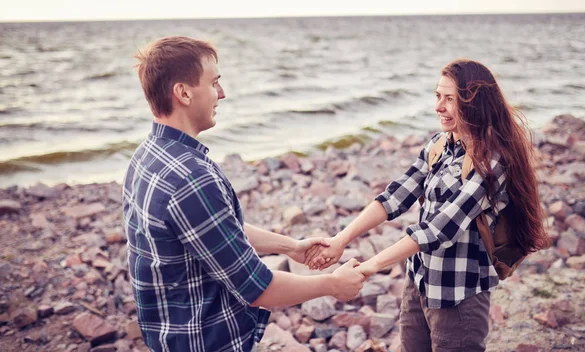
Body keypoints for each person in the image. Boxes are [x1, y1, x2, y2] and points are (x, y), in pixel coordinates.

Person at [122, 36, 366, 352]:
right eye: (214, 83)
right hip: (204, 342)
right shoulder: (192, 178)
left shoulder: (147, 156)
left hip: (170, 336)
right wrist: (332, 285)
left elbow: (216, 229)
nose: (222, 94)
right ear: (183, 92)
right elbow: (258, 288)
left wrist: (290, 247)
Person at [305, 59, 549, 351]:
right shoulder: (439, 144)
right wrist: (340, 239)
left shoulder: (493, 161)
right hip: (419, 281)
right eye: (437, 96)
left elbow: (438, 230)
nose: (438, 107)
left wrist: (370, 267)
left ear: (474, 103)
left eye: (450, 99)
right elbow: (395, 196)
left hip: (460, 294)